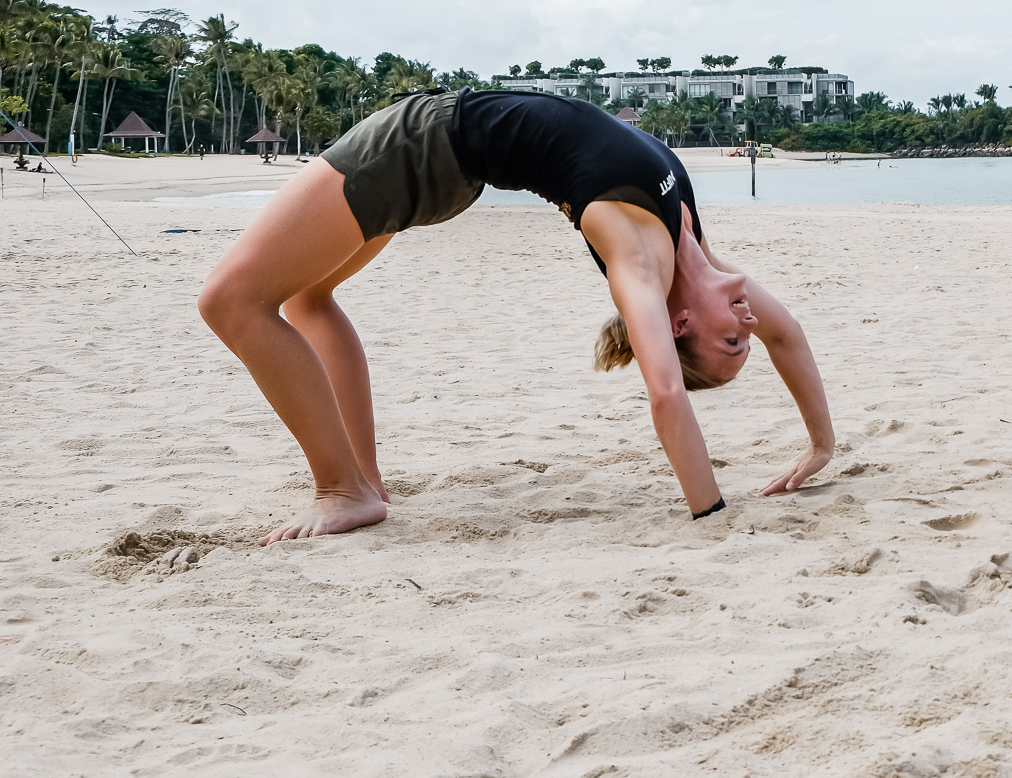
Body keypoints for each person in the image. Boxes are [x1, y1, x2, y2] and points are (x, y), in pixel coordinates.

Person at [199, 89, 835, 546]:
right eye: (745, 336)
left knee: (229, 302)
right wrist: (820, 445)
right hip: (443, 160)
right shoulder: (688, 240)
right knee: (307, 299)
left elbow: (667, 391)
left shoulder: (640, 265)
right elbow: (788, 333)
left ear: (681, 326)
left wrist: (710, 514)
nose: (749, 322)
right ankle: (363, 482)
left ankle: (346, 491)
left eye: (731, 339)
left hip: (421, 148)